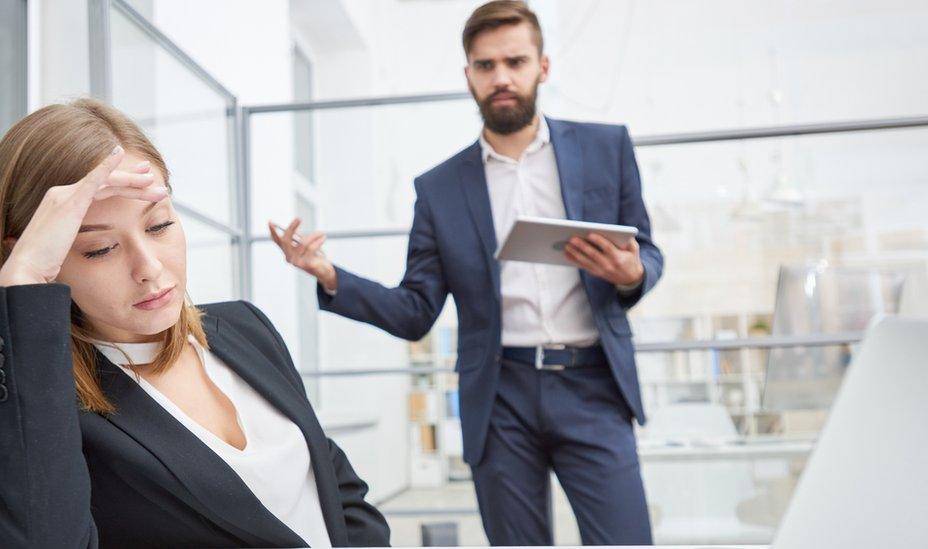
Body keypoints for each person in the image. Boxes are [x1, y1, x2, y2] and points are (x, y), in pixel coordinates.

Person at [272, 1, 662, 545]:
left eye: (515, 61)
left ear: (542, 67)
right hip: (501, 397)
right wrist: (330, 274)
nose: (501, 77)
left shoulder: (606, 147)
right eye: (485, 66)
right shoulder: (439, 190)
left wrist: (630, 271)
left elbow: (647, 253)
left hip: (594, 384)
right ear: (469, 76)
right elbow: (414, 312)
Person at [0, 98, 390, 548]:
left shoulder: (244, 328)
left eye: (159, 225)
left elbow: (335, 488)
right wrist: (23, 285)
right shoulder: (36, 401)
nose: (149, 267)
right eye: (101, 248)